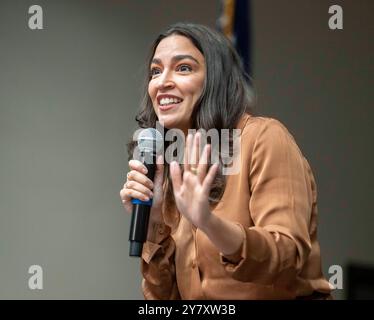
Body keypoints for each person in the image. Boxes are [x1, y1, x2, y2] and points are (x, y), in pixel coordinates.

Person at [119, 22, 333, 300]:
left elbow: (287, 259)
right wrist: (154, 224)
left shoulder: (263, 138)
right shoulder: (169, 165)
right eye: (156, 71)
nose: (162, 82)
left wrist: (208, 222)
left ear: (215, 79)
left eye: (183, 68)